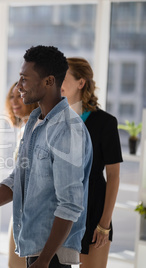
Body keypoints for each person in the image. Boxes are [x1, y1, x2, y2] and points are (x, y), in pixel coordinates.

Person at [0, 45, 93, 268]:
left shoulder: (67, 128)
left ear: (48, 81)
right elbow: (18, 180)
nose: (19, 87)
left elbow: (70, 204)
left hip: (52, 255)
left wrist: (44, 260)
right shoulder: (35, 123)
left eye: (24, 79)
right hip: (36, 248)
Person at [61, 57, 122, 268]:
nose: (58, 81)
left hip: (94, 209)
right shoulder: (54, 120)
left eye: (64, 77)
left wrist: (104, 223)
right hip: (59, 209)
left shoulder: (106, 123)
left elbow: (113, 176)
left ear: (81, 82)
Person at [5, 82, 38, 268]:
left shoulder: (35, 129)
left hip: (34, 213)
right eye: (11, 96)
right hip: (20, 210)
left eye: (20, 96)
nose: (14, 101)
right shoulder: (23, 129)